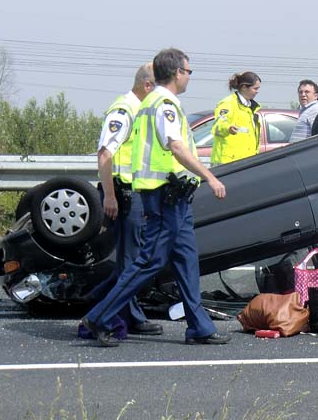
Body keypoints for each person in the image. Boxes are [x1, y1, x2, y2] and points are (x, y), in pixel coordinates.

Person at [81, 48, 230, 347]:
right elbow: (176, 146)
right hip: (164, 197)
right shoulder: (163, 103)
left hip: (175, 197)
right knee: (148, 262)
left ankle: (199, 326)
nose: (189, 76)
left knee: (187, 261)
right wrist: (209, 176)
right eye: (188, 71)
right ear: (177, 72)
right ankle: (100, 317)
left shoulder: (153, 102)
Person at [83, 62, 161, 337]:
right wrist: (111, 197)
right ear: (147, 85)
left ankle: (119, 309)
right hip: (123, 193)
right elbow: (105, 154)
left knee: (132, 259)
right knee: (132, 260)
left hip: (131, 192)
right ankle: (112, 315)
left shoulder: (138, 108)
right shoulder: (124, 109)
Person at [210, 71, 261, 165]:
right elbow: (218, 126)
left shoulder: (251, 108)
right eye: (255, 88)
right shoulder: (228, 103)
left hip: (245, 161)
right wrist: (228, 128)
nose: (257, 91)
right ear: (244, 87)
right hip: (226, 163)